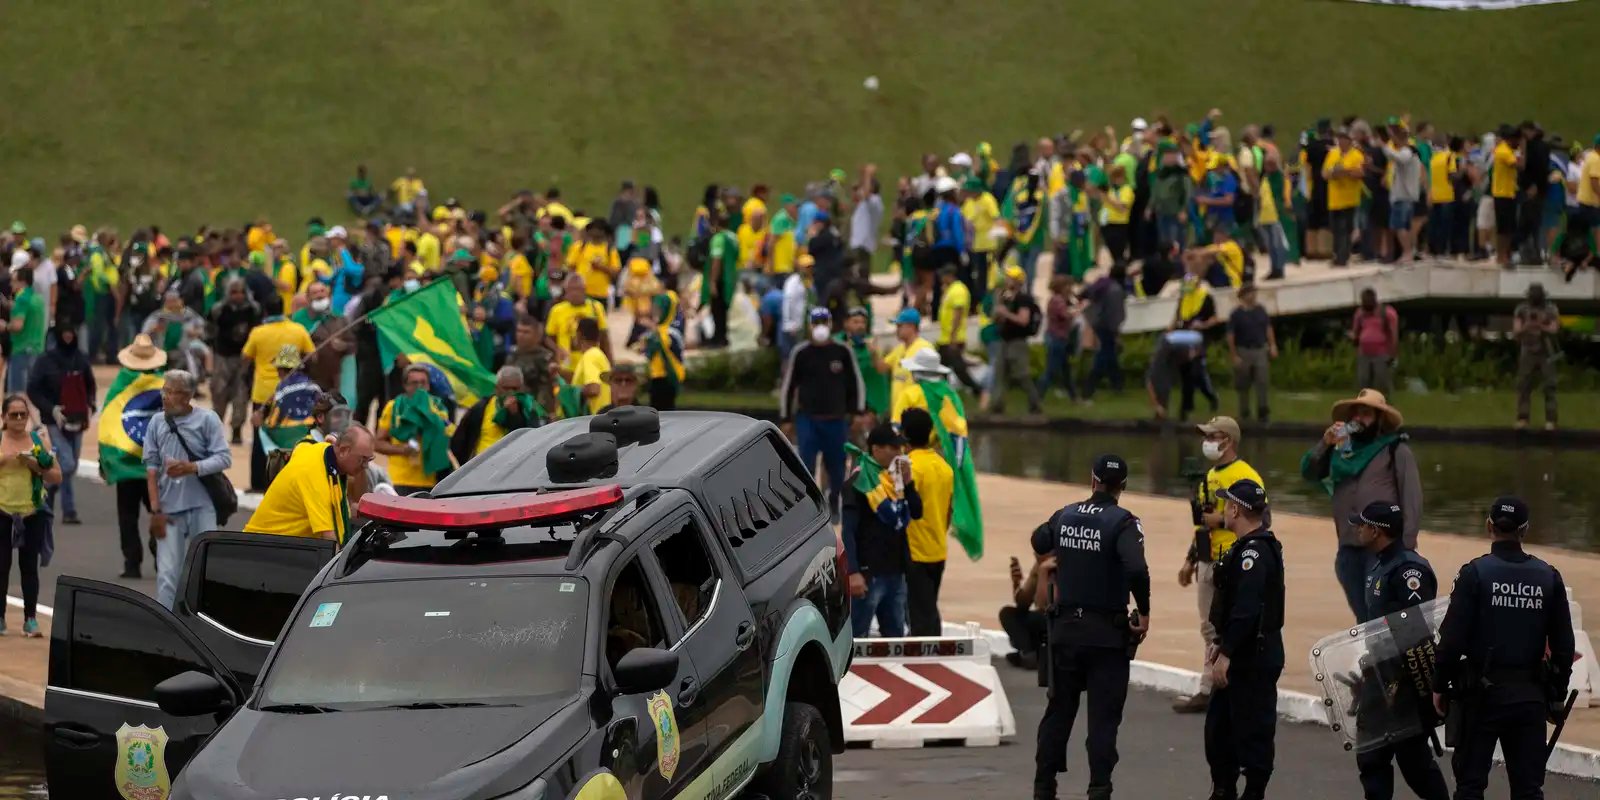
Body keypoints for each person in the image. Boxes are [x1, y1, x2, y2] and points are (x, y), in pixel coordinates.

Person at [1432, 496, 1575, 800]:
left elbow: (1451, 640)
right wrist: (1556, 696)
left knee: (1470, 787)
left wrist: (1439, 685)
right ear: (1525, 530)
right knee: (1528, 789)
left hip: (1480, 696)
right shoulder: (1548, 577)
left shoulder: (1475, 574)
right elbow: (1564, 645)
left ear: (1489, 527)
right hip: (1529, 695)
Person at [1031, 454, 1151, 800]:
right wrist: (1143, 610)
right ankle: (1099, 789)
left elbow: (1039, 541)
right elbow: (1136, 569)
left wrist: (1059, 558)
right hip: (1106, 634)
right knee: (1103, 719)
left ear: (1092, 479)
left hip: (1065, 630)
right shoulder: (1124, 522)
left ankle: (1044, 787)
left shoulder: (1065, 514)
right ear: (1123, 487)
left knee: (1058, 712)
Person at [1349, 501, 1450, 800]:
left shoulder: (1408, 570)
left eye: (1363, 524)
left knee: (1413, 760)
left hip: (1402, 681)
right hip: (1379, 676)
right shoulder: (1379, 563)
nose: (1358, 528)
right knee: (1371, 757)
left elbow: (1415, 631)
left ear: (1377, 531)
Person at [1300, 389, 1424, 620]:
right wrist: (1325, 444)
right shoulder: (1340, 452)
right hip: (1348, 548)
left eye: (1365, 414)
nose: (1358, 419)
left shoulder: (1395, 449)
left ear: (1379, 420)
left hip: (1385, 551)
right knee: (1364, 617)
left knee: (1386, 616)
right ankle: (1372, 655)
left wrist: (1405, 550)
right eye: (1355, 413)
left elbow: (1412, 501)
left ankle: (1390, 656)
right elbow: (1310, 471)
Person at [1172, 416, 1264, 715]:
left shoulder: (1245, 475)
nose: (1208, 440)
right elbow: (1203, 523)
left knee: (1231, 624)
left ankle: (1222, 685)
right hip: (1208, 559)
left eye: (1214, 435)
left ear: (1229, 439)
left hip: (1234, 557)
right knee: (1208, 627)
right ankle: (1210, 684)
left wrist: (1223, 520)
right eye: (1207, 435)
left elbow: (1262, 518)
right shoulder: (1209, 477)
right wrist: (1190, 560)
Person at [1203, 478, 1284, 800]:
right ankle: (1223, 789)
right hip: (1240, 651)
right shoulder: (1249, 547)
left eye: (1227, 504)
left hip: (1253, 657)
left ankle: (1253, 792)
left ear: (1235, 509)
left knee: (1252, 732)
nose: (1224, 509)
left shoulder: (1254, 553)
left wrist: (1227, 653)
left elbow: (1247, 610)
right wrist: (1219, 643)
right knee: (1219, 731)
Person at [142, 370, 231, 610]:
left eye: (172, 392)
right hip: (168, 511)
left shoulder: (207, 419)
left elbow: (223, 458)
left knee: (205, 568)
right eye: (165, 390)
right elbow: (151, 469)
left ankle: (204, 620)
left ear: (188, 396)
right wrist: (155, 510)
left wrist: (192, 467)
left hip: (203, 507)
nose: (165, 397)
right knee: (168, 573)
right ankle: (166, 626)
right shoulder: (156, 423)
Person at [841, 423, 921, 639]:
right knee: (857, 636)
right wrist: (853, 572)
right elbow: (848, 531)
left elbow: (917, 512)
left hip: (895, 571)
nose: (899, 454)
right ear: (876, 449)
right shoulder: (858, 482)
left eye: (901, 449)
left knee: (895, 637)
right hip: (868, 573)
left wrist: (909, 483)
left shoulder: (895, 482)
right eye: (893, 448)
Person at [781, 308, 865, 513]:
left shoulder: (842, 351)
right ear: (810, 326)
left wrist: (857, 412)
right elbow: (789, 387)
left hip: (836, 420)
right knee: (806, 465)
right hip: (808, 419)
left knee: (836, 466)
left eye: (823, 322)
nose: (820, 327)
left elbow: (855, 383)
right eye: (816, 323)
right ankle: (811, 506)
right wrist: (786, 417)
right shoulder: (801, 353)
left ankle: (835, 499)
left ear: (830, 324)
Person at [245, 425, 376, 545]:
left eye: (369, 460)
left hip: (285, 547)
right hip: (261, 547)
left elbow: (348, 507)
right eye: (362, 459)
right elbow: (329, 540)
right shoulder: (316, 476)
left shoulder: (325, 453)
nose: (365, 466)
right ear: (343, 451)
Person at [0, 395, 60, 638]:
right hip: (2, 510)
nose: (18, 419)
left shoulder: (37, 441)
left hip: (32, 511)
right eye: (13, 415)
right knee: (1, 567)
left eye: (22, 415)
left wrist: (36, 465)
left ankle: (30, 619)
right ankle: (0, 618)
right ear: (4, 417)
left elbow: (57, 476)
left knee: (29, 568)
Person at [240, 295, 314, 491]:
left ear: (265, 312)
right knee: (291, 435)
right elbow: (312, 353)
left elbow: (245, 357)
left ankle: (259, 482)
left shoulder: (258, 332)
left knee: (261, 436)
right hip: (294, 392)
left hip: (263, 392)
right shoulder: (298, 330)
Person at [27, 327, 94, 525]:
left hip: (78, 418)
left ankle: (52, 498)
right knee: (67, 463)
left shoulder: (80, 359)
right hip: (53, 419)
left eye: (70, 333)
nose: (67, 336)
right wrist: (51, 409)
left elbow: (90, 384)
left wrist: (91, 403)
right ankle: (67, 507)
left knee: (69, 466)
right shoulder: (45, 361)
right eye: (64, 333)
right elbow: (33, 389)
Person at [901, 408, 953, 637]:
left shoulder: (907, 467)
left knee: (920, 615)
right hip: (938, 549)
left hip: (915, 551)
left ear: (904, 435)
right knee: (929, 608)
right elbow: (948, 510)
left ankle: (926, 663)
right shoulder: (944, 467)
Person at [376, 364, 456, 495]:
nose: (419, 387)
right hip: (400, 480)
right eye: (414, 383)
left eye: (423, 383)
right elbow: (377, 443)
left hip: (430, 481)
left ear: (428, 386)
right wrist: (402, 450)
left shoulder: (438, 408)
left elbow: (445, 438)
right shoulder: (394, 407)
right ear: (405, 386)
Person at [207, 278, 261, 443]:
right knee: (219, 393)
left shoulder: (253, 310)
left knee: (241, 395)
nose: (237, 296)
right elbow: (209, 331)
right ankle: (215, 431)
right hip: (222, 357)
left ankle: (237, 429)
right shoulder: (218, 310)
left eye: (241, 292)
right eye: (233, 292)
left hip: (244, 359)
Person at [989, 266, 1044, 415]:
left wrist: (1006, 313)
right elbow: (997, 319)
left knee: (1022, 374)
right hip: (1004, 339)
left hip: (1017, 341)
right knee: (1000, 373)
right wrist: (999, 307)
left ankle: (1035, 403)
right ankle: (997, 406)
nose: (1006, 281)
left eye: (1009, 278)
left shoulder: (1023, 299)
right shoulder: (1006, 298)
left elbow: (1023, 320)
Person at [1511, 282, 1559, 431]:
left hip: (1546, 349)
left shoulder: (1550, 309)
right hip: (1528, 348)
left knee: (1550, 385)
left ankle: (1551, 419)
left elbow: (1554, 329)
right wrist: (1527, 325)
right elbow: (1516, 331)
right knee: (1524, 384)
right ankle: (1523, 417)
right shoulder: (1521, 309)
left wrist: (1541, 325)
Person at [1226, 285, 1277, 422]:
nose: (1253, 296)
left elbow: (1268, 327)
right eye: (1250, 293)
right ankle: (1244, 413)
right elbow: (1231, 335)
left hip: (1260, 349)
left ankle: (1263, 411)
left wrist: (1272, 345)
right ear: (1243, 296)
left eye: (1254, 293)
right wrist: (1234, 355)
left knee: (1262, 381)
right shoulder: (1236, 314)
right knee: (1243, 383)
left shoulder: (1261, 310)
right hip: (1243, 350)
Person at [1000, 541, 1050, 670]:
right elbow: (1023, 604)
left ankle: (1036, 657)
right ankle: (1029, 653)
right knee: (1007, 613)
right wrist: (1016, 582)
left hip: (1061, 620)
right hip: (1042, 620)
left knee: (1042, 618)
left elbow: (1043, 603)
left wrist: (1044, 572)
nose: (1036, 555)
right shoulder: (1040, 564)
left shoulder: (1061, 564)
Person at [1080, 265, 1128, 400]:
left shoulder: (1103, 284)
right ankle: (1089, 387)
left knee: (1110, 355)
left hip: (1097, 322)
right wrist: (1116, 331)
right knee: (1104, 356)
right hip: (1107, 325)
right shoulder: (1116, 290)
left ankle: (1117, 384)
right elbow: (1116, 313)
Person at [546, 273, 610, 369]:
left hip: (591, 363)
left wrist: (609, 362)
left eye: (577, 289)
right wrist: (557, 350)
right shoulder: (557, 310)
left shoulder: (596, 307)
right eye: (571, 290)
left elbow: (604, 337)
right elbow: (549, 337)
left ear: (584, 289)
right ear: (565, 291)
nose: (574, 293)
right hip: (566, 365)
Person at [837, 307, 890, 419]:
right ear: (846, 324)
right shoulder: (837, 343)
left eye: (863, 322)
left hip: (868, 407)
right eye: (855, 322)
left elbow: (880, 372)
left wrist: (874, 354)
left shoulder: (871, 345)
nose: (860, 326)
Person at [934, 265, 981, 393]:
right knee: (940, 369)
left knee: (959, 370)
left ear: (949, 276)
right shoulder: (950, 290)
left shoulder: (958, 290)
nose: (940, 279)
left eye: (942, 276)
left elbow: (958, 314)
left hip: (953, 337)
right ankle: (943, 394)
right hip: (945, 338)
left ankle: (978, 390)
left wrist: (953, 336)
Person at [1324, 127, 1366, 267]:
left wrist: (1345, 172)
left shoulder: (1357, 155)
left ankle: (1342, 257)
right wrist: (1334, 173)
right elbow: (1325, 173)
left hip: (1349, 199)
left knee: (1344, 229)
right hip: (1334, 199)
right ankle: (1337, 254)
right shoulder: (1332, 154)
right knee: (1335, 229)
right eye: (1339, 138)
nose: (1341, 141)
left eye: (1344, 138)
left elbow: (1360, 173)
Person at [883, 308, 934, 413]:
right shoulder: (899, 349)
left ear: (911, 327)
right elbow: (881, 367)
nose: (896, 330)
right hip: (899, 414)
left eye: (899, 326)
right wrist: (873, 352)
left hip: (916, 414)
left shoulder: (924, 349)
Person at [1036, 275, 1079, 400]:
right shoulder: (1058, 300)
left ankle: (1074, 396)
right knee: (1051, 370)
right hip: (1057, 338)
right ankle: (1038, 396)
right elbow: (1064, 315)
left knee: (1066, 370)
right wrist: (1076, 311)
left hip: (1058, 337)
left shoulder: (1055, 299)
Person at [6, 266, 47, 393]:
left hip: (22, 350)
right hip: (37, 348)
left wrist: (5, 326)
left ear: (22, 282)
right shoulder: (38, 298)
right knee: (33, 394)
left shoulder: (21, 299)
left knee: (17, 394)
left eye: (13, 280)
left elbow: (18, 326)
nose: (10, 284)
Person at [1350, 288, 1398, 394]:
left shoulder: (1386, 312)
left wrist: (1392, 353)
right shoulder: (1360, 313)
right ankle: (1364, 406)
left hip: (1381, 353)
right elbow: (1356, 332)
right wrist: (1354, 338)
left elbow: (1394, 334)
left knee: (1381, 383)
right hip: (1364, 354)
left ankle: (1382, 405)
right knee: (1363, 382)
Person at [1490, 125, 1523, 267]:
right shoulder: (1503, 151)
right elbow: (1519, 165)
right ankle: (1501, 256)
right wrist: (1523, 150)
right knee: (1503, 228)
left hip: (1509, 192)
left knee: (1509, 227)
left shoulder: (1507, 149)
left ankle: (1505, 255)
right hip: (1502, 193)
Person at [569, 317, 612, 416]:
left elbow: (593, 388)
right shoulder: (598, 354)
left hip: (592, 418)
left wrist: (570, 393)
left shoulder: (590, 356)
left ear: (578, 335)